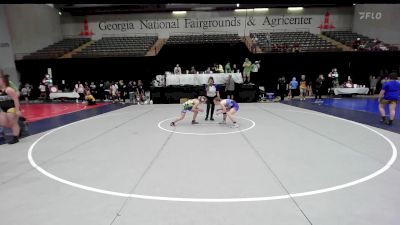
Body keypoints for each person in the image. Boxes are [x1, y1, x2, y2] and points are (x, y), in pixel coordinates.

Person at [0, 74, 21, 144]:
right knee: (4, 122)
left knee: (13, 123)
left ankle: (15, 138)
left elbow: (16, 99)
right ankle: (18, 129)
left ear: (4, 82)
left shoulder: (8, 89)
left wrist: (17, 110)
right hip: (4, 109)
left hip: (11, 107)